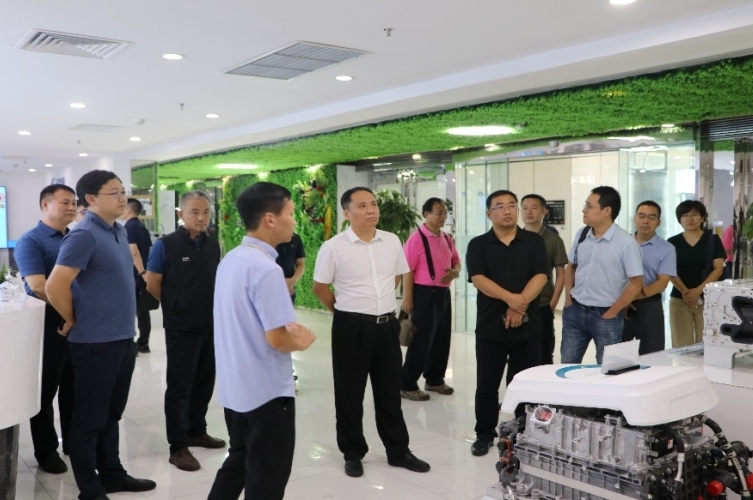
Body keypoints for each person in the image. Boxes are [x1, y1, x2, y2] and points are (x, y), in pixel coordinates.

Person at [46, 170, 156, 500]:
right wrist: (72, 318)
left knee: (111, 414)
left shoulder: (119, 230)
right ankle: (90, 489)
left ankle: (112, 475)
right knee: (89, 420)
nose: (123, 198)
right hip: (95, 343)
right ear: (92, 199)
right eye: (115, 192)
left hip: (122, 338)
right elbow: (54, 285)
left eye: (123, 191)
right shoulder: (84, 235)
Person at [209, 182, 316, 500]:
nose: (294, 221)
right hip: (266, 393)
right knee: (266, 480)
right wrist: (301, 342)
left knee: (239, 462)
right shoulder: (267, 270)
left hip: (236, 387)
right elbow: (278, 338)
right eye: (291, 213)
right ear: (270, 218)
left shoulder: (232, 259)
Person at [313, 187, 430, 478]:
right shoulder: (334, 247)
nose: (371, 210)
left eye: (374, 204)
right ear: (347, 213)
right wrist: (346, 313)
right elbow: (320, 288)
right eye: (363, 205)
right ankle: (353, 453)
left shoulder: (391, 241)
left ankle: (398, 451)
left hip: (386, 326)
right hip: (350, 328)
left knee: (389, 392)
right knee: (350, 395)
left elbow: (396, 277)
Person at [145, 190, 225, 472]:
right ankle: (178, 446)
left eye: (206, 212)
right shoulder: (165, 245)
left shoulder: (213, 244)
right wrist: (175, 306)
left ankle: (196, 430)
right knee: (180, 386)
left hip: (210, 324)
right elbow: (152, 282)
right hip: (181, 326)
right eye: (194, 212)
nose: (201, 217)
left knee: (204, 381)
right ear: (181, 214)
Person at [466, 190, 548, 457]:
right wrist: (511, 300)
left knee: (524, 382)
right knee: (487, 384)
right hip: (491, 325)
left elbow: (541, 275)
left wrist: (519, 304)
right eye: (500, 206)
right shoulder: (478, 245)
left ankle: (524, 431)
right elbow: (478, 279)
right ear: (489, 214)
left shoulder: (534, 241)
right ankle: (484, 433)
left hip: (528, 326)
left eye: (512, 205)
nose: (507, 211)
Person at [14, 184, 77, 474]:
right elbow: (38, 287)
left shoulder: (76, 238)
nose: (72, 207)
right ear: (45, 205)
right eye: (65, 202)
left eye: (74, 202)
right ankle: (46, 450)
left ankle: (74, 443)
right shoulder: (31, 240)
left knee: (74, 389)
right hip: (49, 323)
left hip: (76, 322)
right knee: (45, 391)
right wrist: (68, 315)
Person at [561, 186, 643, 365]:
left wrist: (613, 312)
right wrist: (567, 299)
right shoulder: (582, 234)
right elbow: (571, 266)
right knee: (567, 363)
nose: (584, 210)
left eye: (589, 206)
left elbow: (636, 283)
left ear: (607, 211)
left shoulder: (626, 243)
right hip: (575, 310)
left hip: (606, 316)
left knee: (607, 368)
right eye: (585, 205)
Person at [400, 197, 461, 401]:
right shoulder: (416, 239)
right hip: (424, 293)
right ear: (426, 214)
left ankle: (434, 379)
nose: (443, 216)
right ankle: (407, 384)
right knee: (422, 340)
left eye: (445, 213)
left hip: (443, 293)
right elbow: (407, 270)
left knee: (441, 338)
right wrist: (408, 299)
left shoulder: (446, 238)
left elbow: (456, 261)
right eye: (438, 213)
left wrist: (455, 272)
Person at [668, 200, 725, 347]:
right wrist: (687, 293)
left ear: (702, 218)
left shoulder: (712, 240)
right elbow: (669, 270)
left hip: (708, 299)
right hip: (680, 299)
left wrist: (697, 291)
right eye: (685, 215)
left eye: (694, 214)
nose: (690, 219)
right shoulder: (672, 242)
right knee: (681, 344)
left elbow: (718, 269)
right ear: (679, 219)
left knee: (707, 343)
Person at [622, 201, 676, 355]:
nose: (645, 221)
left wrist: (630, 297)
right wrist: (623, 301)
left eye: (652, 218)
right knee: (617, 355)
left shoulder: (667, 248)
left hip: (649, 305)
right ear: (634, 219)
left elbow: (662, 282)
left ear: (658, 222)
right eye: (641, 216)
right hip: (619, 305)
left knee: (652, 356)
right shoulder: (621, 244)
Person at [520, 194, 567, 365]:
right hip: (517, 304)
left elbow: (561, 273)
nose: (528, 212)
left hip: (542, 304)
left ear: (544, 212)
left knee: (544, 352)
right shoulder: (514, 237)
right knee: (519, 353)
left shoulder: (553, 240)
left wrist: (553, 303)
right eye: (525, 208)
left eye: (534, 208)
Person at [122, 198, 153, 354]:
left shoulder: (129, 227)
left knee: (130, 310)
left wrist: (141, 272)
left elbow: (133, 251)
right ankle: (143, 343)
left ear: (129, 210)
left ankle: (131, 343)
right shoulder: (142, 227)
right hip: (143, 275)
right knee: (143, 311)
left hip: (136, 275)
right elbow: (150, 249)